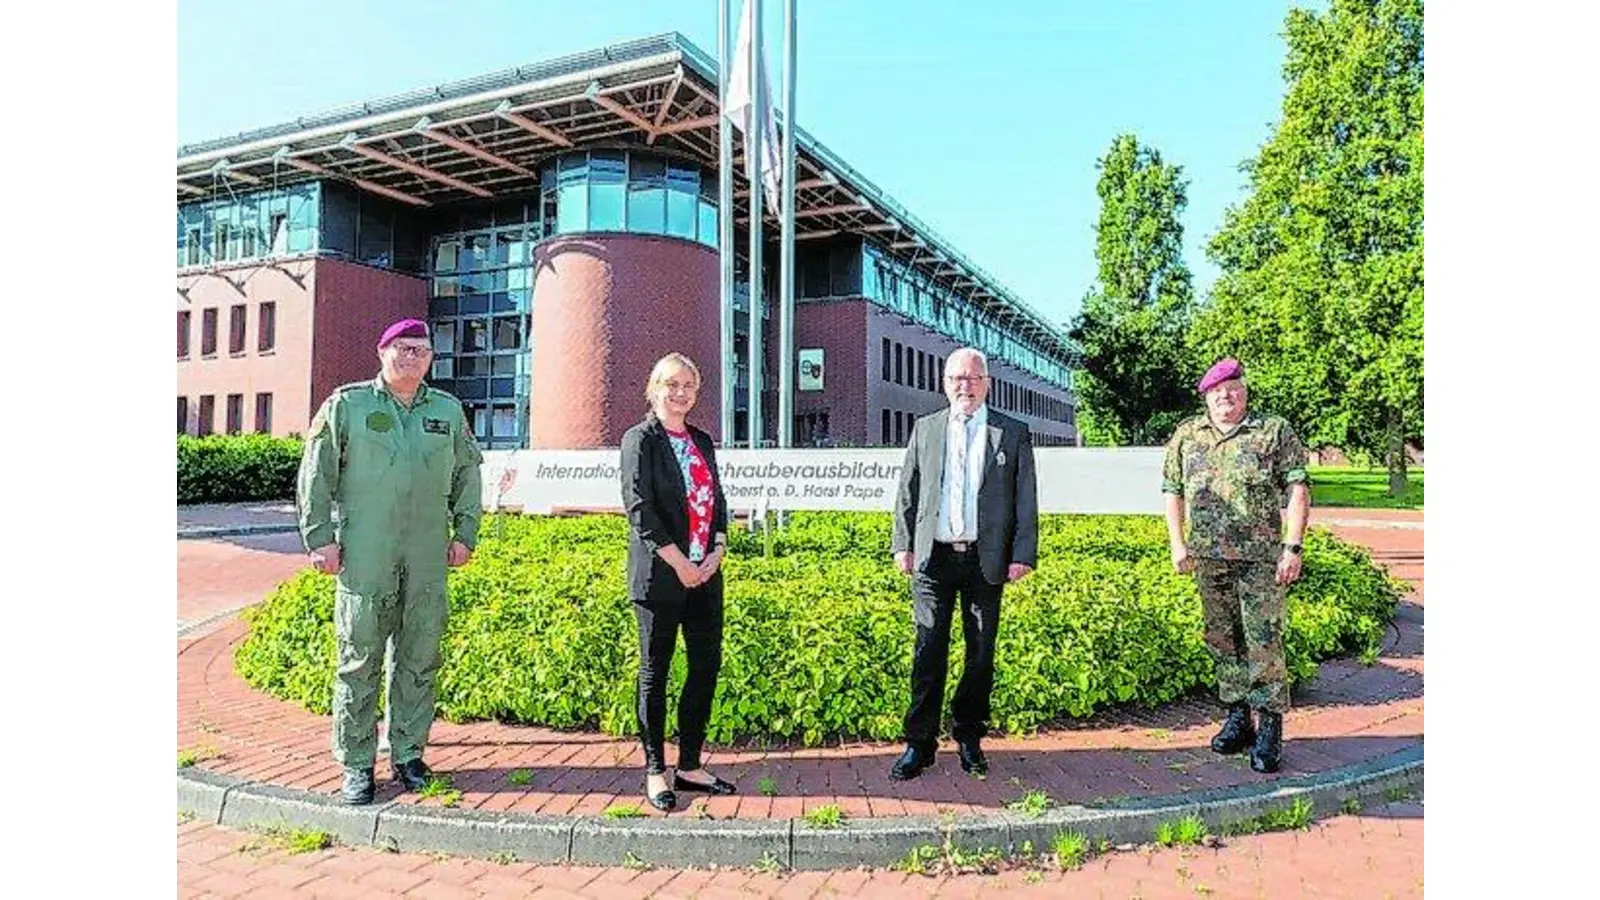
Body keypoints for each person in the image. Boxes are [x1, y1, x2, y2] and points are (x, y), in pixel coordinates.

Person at [296, 318, 483, 805]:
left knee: (419, 657)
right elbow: (316, 473)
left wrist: (465, 533)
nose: (411, 358)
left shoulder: (447, 409)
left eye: (421, 351)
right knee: (358, 658)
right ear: (382, 352)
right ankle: (357, 763)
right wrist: (320, 538)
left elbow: (467, 473)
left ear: (430, 360)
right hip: (366, 551)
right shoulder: (348, 405)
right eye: (402, 348)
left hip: (426, 554)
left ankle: (408, 753)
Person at [889, 347, 1038, 780]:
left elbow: (1025, 497)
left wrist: (1022, 553)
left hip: (984, 562)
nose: (964, 386)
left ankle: (969, 736)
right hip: (933, 559)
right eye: (956, 378)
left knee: (980, 654)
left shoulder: (1010, 432)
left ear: (987, 383)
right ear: (944, 382)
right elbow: (907, 491)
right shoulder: (927, 428)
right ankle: (919, 744)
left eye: (973, 378)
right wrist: (903, 545)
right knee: (928, 649)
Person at [1162, 357, 1310, 774]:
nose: (1225, 397)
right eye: (1216, 392)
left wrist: (1292, 548)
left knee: (1264, 641)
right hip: (1209, 558)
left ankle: (1269, 729)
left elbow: (1297, 490)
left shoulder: (1272, 431)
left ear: (1245, 391)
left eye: (1233, 389)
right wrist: (1178, 543)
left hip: (1261, 560)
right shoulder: (1188, 435)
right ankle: (1238, 717)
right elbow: (1172, 491)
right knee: (1222, 638)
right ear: (1206, 397)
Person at [618, 353, 736, 811]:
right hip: (660, 578)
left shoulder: (702, 441)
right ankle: (654, 770)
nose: (680, 392)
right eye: (672, 384)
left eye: (689, 384)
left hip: (705, 576)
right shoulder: (640, 440)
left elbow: (717, 500)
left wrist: (717, 550)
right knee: (656, 673)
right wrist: (679, 562)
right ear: (654, 388)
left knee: (704, 668)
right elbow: (639, 509)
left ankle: (689, 765)